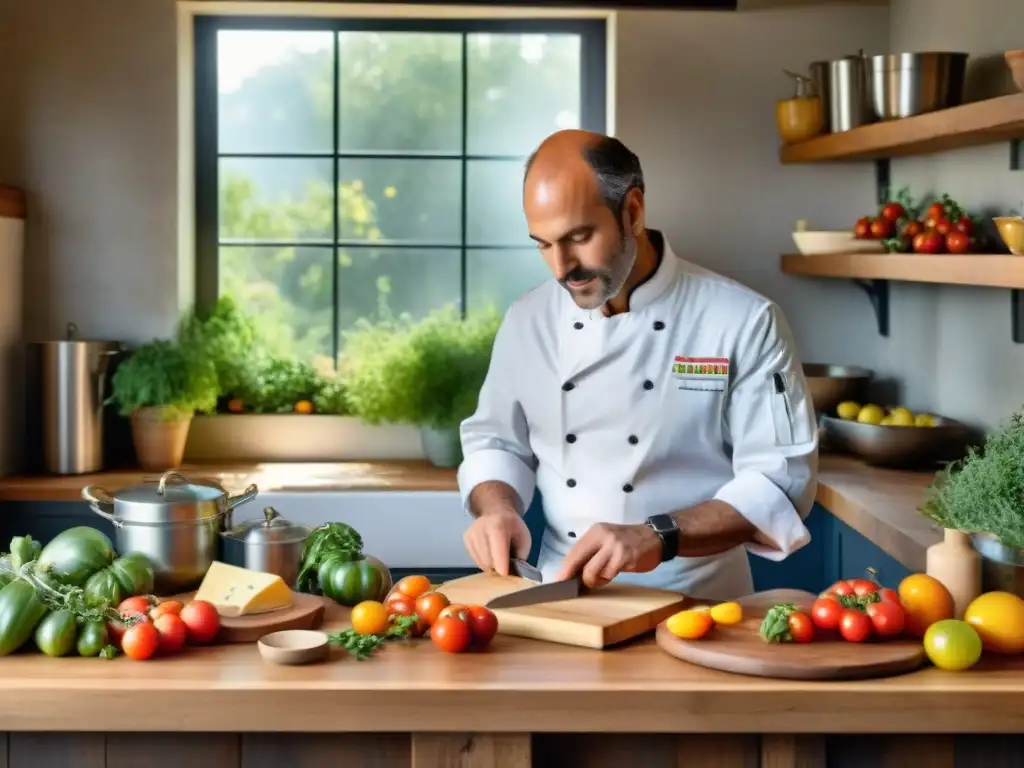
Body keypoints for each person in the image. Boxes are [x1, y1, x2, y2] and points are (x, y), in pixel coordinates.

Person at [457, 129, 818, 599]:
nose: (561, 268)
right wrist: (497, 509)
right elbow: (496, 441)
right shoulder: (528, 319)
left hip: (697, 604)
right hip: (559, 598)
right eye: (543, 245)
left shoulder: (744, 320)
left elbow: (780, 483)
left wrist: (657, 535)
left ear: (632, 211)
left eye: (579, 237)